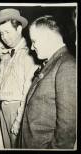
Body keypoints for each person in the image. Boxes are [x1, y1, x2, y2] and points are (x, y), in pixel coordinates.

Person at [0, 8, 38, 148]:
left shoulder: (29, 55)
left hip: (18, 108)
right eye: (1, 33)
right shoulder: (6, 57)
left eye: (7, 32)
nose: (4, 37)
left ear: (19, 29)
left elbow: (28, 90)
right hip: (4, 109)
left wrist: (19, 120)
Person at [20, 15, 76, 149]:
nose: (32, 48)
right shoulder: (53, 62)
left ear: (49, 38)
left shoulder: (67, 65)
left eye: (34, 41)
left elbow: (67, 127)